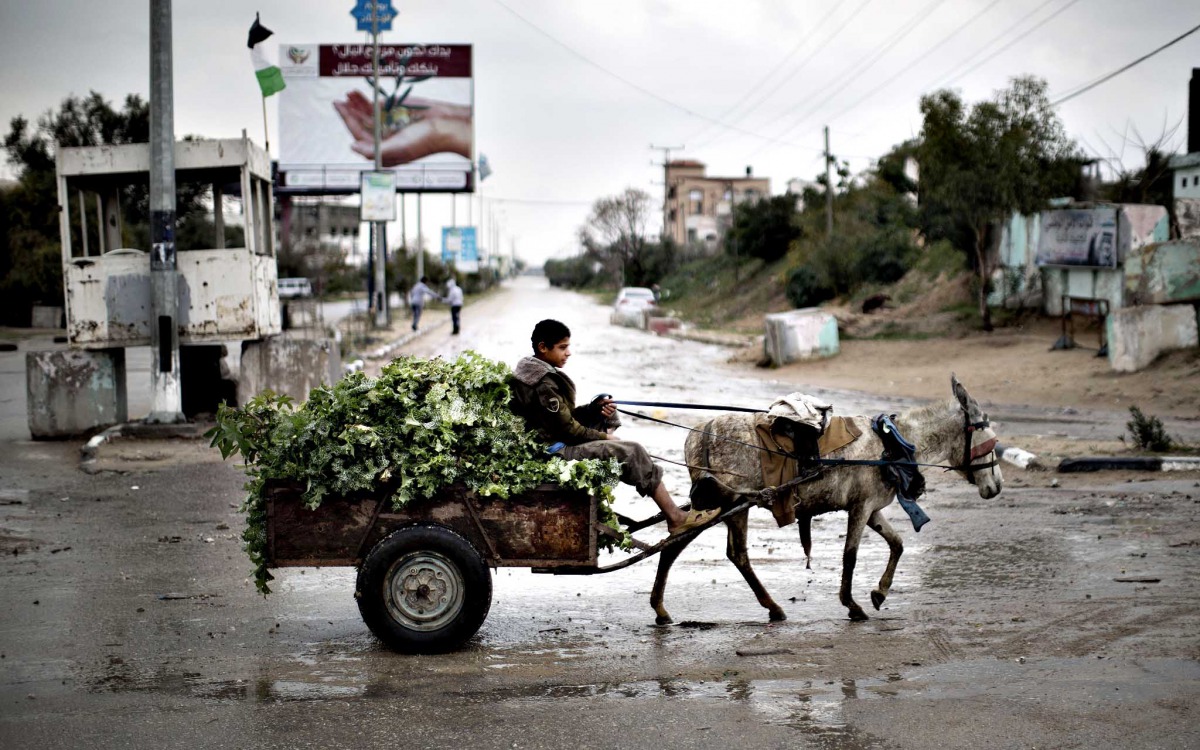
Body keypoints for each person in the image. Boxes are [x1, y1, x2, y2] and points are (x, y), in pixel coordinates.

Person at [509, 319, 719, 536]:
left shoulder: (536, 373)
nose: (568, 352)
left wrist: (593, 409)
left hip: (554, 441)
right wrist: (605, 438)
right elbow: (566, 430)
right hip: (555, 452)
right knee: (632, 450)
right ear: (543, 347)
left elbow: (559, 419)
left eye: (568, 346)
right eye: (563, 347)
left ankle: (613, 456)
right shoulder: (543, 383)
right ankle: (675, 518)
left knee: (606, 415)